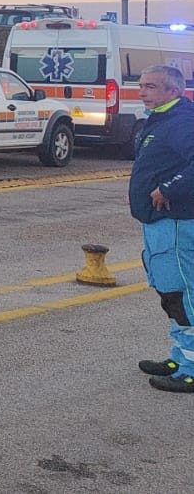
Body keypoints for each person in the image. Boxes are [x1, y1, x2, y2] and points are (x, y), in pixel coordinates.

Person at [128, 64, 194, 393]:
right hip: (156, 221)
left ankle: (191, 369)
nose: (143, 92)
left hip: (176, 221)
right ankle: (180, 357)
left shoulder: (182, 121)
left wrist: (169, 188)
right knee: (168, 291)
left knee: (182, 292)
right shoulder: (160, 119)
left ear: (173, 91)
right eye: (141, 85)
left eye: (151, 87)